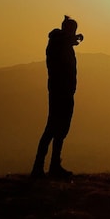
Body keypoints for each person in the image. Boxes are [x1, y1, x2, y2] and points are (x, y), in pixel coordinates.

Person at [31, 15, 83, 179]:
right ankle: (40, 167)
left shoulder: (62, 42)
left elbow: (68, 41)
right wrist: (75, 38)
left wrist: (75, 39)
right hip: (59, 92)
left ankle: (53, 165)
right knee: (53, 128)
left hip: (65, 92)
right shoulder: (57, 42)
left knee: (60, 130)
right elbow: (64, 42)